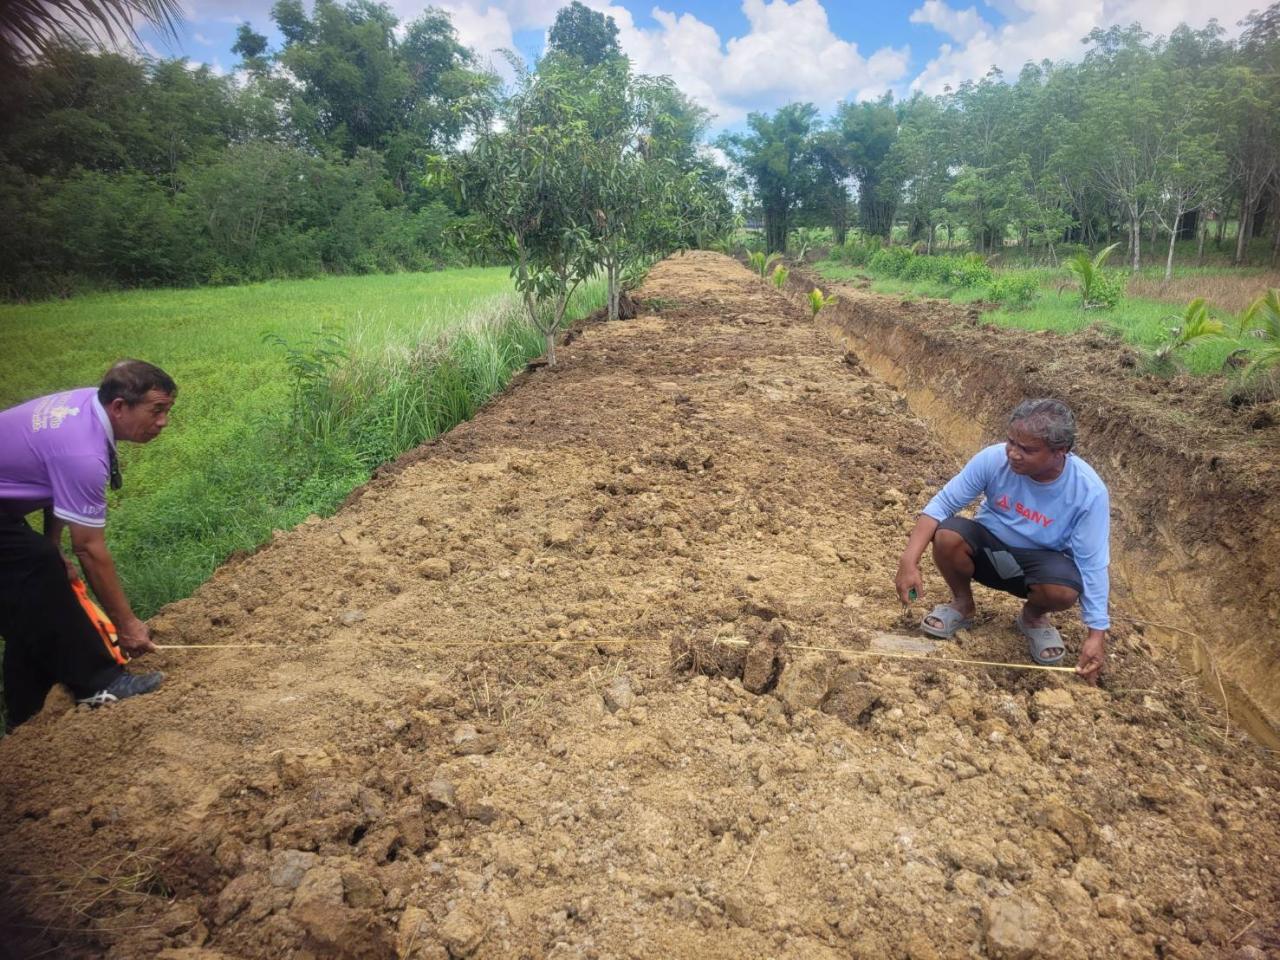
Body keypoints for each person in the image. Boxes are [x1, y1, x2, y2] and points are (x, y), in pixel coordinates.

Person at [0, 359, 176, 728]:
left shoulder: (85, 407)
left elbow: (55, 485)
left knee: (30, 592)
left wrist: (53, 547)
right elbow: (91, 550)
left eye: (167, 411)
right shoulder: (84, 452)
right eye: (156, 411)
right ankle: (102, 682)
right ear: (119, 407)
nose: (163, 422)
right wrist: (126, 624)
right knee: (37, 569)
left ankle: (26, 714)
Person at [894, 398, 1108, 682]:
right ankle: (962, 604)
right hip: (988, 550)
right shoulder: (994, 459)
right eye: (1011, 442)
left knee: (1065, 589)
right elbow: (941, 505)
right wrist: (909, 562)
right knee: (947, 535)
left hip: (1037, 567)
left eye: (1027, 450)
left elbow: (1092, 564)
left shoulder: (1087, 492)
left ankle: (1032, 618)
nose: (1013, 454)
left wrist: (1096, 634)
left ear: (1061, 452)